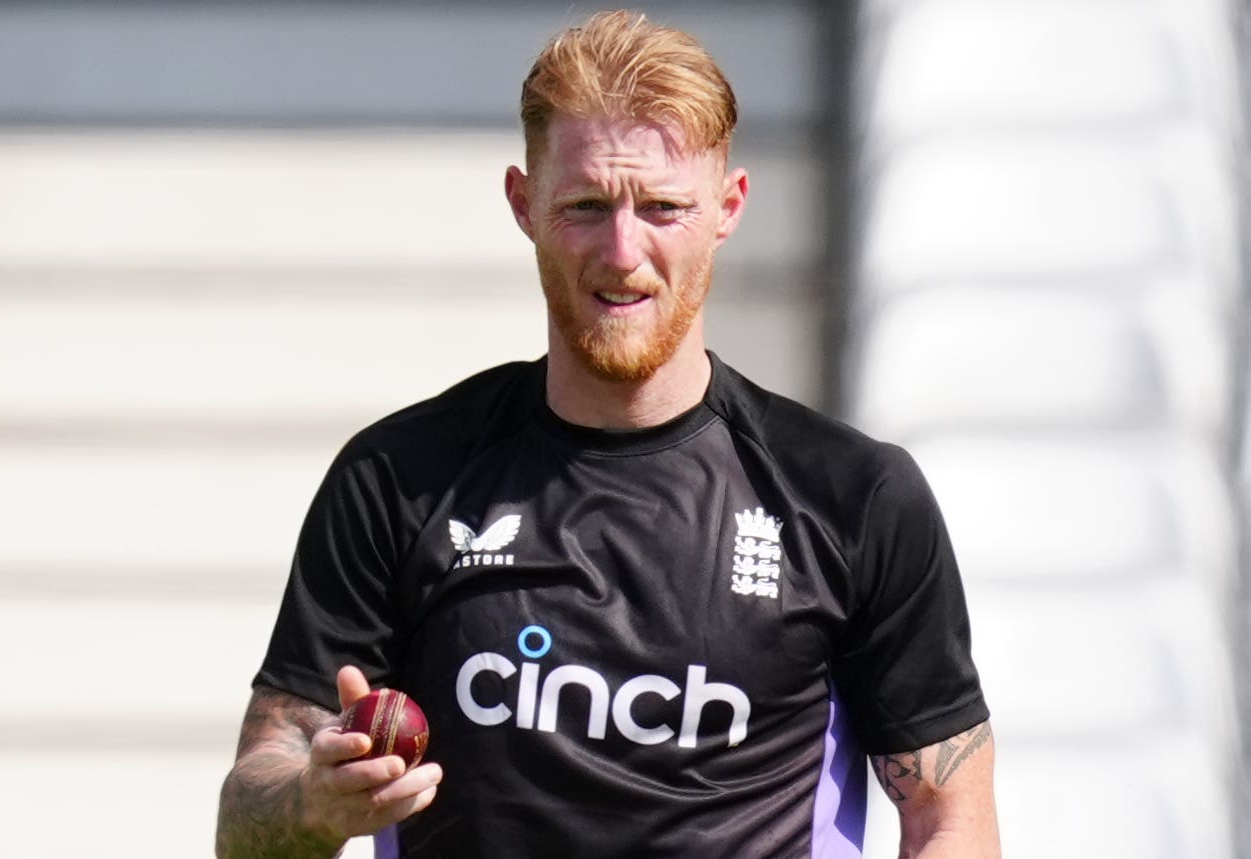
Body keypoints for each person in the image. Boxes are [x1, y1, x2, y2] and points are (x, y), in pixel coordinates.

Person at [215, 9, 1000, 858]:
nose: (623, 252)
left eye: (662, 206)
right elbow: (247, 818)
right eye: (586, 205)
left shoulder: (851, 495)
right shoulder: (400, 478)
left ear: (727, 207)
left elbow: (949, 814)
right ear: (523, 204)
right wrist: (314, 799)